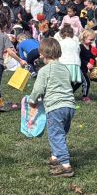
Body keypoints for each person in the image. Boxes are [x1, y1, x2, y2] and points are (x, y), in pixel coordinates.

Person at [26, 38, 77, 177]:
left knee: (55, 134)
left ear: (43, 54)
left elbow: (38, 89)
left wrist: (32, 101)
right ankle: (55, 157)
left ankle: (66, 165)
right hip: (70, 106)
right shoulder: (65, 68)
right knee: (61, 132)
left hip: (55, 107)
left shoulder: (44, 70)